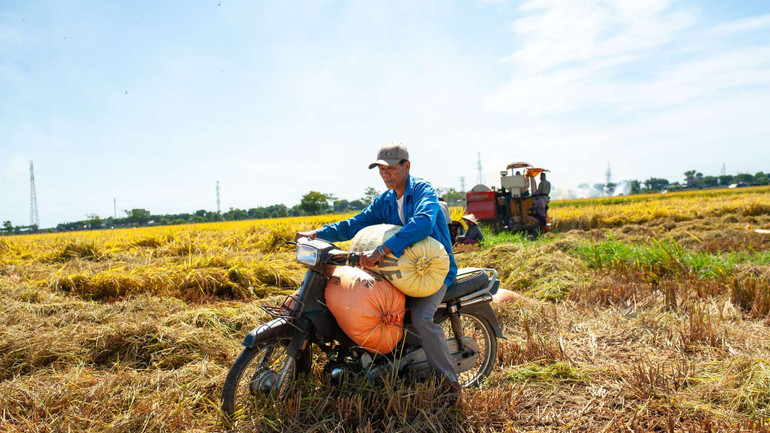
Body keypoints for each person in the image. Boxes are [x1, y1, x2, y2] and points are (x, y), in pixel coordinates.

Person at [294, 142, 462, 405]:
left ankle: (450, 384)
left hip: (432, 271)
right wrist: (317, 234)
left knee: (421, 317)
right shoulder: (385, 199)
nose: (385, 175)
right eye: (381, 170)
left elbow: (424, 222)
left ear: (406, 166)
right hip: (399, 270)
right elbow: (356, 223)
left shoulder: (422, 190)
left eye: (391, 169)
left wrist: (383, 249)